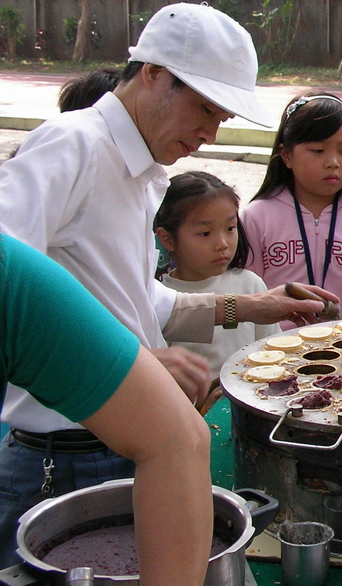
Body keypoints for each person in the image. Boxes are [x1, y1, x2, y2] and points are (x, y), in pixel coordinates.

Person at [0, 2, 335, 564]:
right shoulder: (75, 145)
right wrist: (138, 362)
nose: (208, 132)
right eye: (203, 108)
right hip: (65, 458)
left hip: (125, 445)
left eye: (221, 119)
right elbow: (11, 291)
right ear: (154, 73)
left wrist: (259, 304)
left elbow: (145, 301)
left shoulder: (140, 172)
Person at [1, 231, 212, 584]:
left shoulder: (10, 274)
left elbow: (179, 438)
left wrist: (240, 306)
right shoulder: (51, 175)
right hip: (42, 454)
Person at [242, 92, 342, 323]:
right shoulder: (256, 217)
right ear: (286, 155)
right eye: (318, 151)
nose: (333, 162)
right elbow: (248, 299)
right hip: (274, 353)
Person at [155, 171, 279, 397]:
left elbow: (275, 353)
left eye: (230, 228)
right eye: (205, 233)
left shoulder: (251, 285)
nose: (222, 244)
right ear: (167, 238)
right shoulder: (161, 300)